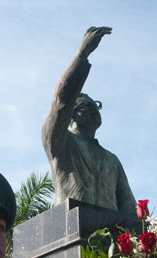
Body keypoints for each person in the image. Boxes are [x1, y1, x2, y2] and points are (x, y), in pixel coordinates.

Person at [41, 26, 137, 214]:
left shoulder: (112, 159)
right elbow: (61, 101)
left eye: (96, 105)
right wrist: (82, 56)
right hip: (69, 225)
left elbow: (128, 204)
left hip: (111, 232)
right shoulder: (60, 141)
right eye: (87, 106)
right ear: (72, 113)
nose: (94, 109)